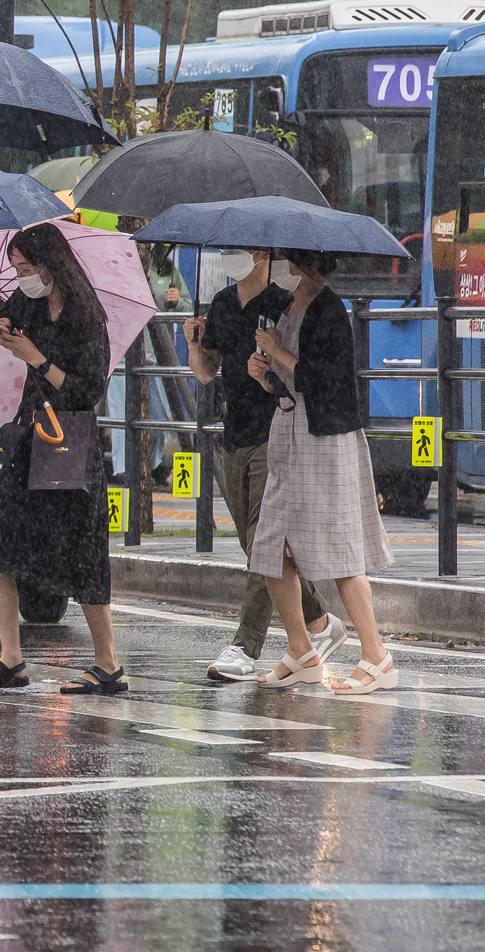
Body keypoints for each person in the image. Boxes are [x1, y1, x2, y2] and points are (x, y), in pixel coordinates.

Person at [0, 222, 125, 695]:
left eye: (27, 267)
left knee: (83, 551)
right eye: (15, 268)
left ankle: (107, 663)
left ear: (52, 264)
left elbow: (87, 391)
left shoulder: (85, 316)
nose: (21, 276)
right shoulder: (28, 301)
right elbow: (4, 318)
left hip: (69, 439)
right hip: (29, 433)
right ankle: (10, 659)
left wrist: (36, 357)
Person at [183, 248, 345, 682]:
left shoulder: (280, 303)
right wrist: (194, 345)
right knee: (254, 542)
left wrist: (272, 358)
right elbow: (206, 373)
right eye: (224, 250)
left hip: (274, 430)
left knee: (262, 542)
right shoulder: (220, 304)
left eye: (236, 249)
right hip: (234, 432)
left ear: (259, 253)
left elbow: (301, 367)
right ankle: (319, 621)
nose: (228, 257)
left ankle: (244, 644)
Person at [247, 249, 398, 695]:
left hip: (325, 439)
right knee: (270, 546)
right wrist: (265, 371)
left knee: (338, 549)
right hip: (289, 431)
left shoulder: (330, 310)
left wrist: (278, 352)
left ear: (299, 259)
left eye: (281, 255)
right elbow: (291, 377)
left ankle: (376, 656)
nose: (275, 262)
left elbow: (326, 380)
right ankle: (301, 651)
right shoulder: (285, 305)